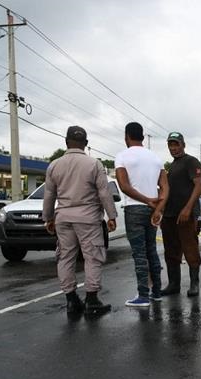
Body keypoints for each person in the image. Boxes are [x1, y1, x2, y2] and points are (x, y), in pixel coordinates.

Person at [42, 126, 116, 317]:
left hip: (63, 218)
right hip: (88, 218)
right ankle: (92, 300)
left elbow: (49, 194)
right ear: (86, 144)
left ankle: (71, 300)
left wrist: (48, 218)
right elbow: (103, 192)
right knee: (92, 257)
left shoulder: (54, 165)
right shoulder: (94, 164)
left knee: (65, 257)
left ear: (66, 142)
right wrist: (112, 216)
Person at [115, 122, 168, 308]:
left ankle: (143, 295)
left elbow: (124, 186)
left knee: (139, 253)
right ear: (143, 137)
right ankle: (157, 292)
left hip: (134, 208)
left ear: (126, 136)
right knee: (151, 250)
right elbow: (165, 187)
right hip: (153, 209)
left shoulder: (122, 156)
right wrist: (158, 207)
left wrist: (146, 200)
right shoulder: (156, 158)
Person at [160, 132, 201, 297]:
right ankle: (173, 284)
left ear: (183, 145)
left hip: (185, 215)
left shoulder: (190, 161)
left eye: (176, 144)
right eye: (170, 145)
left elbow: (199, 185)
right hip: (169, 215)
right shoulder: (173, 165)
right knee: (171, 251)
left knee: (190, 248)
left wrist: (187, 209)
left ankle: (194, 285)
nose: (173, 148)